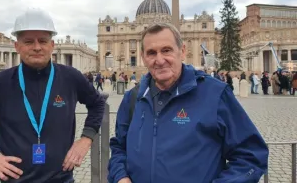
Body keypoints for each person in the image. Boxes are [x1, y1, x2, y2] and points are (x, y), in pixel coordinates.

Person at [0, 9, 106, 183]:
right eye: (28, 41)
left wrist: (85, 139)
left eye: (43, 41)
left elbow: (97, 104)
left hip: (62, 179)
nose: (37, 47)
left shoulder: (71, 77)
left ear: (52, 45)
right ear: (17, 46)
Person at [108, 23, 268, 183]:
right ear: (143, 58)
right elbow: (119, 148)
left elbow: (250, 155)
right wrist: (120, 176)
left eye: (166, 50)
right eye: (151, 53)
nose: (159, 60)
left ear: (182, 51)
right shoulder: (132, 99)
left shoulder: (215, 94)